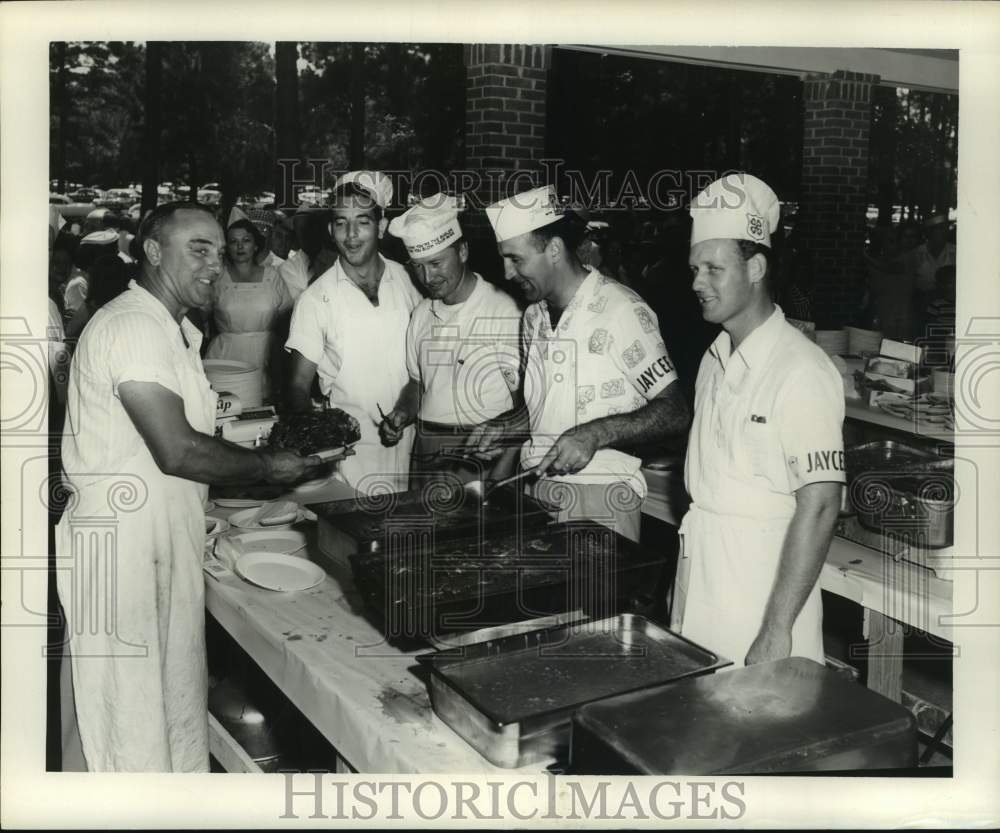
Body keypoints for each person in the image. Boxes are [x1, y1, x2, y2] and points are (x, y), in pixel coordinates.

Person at [55, 202, 319, 771]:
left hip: (159, 544)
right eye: (197, 249)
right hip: (119, 555)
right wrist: (269, 468)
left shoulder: (173, 329)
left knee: (155, 717)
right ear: (152, 252)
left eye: (219, 252)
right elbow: (178, 449)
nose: (213, 264)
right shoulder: (131, 324)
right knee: (112, 725)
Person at [671, 173, 844, 669]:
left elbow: (821, 504)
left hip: (762, 596)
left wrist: (776, 630)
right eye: (694, 268)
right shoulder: (713, 358)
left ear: (756, 267)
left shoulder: (802, 370)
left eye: (712, 268)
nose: (696, 282)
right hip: (703, 575)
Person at [469, 185, 691, 543]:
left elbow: (675, 410)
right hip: (536, 492)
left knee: (594, 601)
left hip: (601, 496)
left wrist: (594, 434)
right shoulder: (533, 317)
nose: (507, 273)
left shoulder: (622, 311)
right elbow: (546, 406)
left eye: (516, 259)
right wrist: (507, 425)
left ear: (554, 249)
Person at [285, 171, 421, 494]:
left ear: (382, 226)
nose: (351, 235)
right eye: (341, 223)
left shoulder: (410, 282)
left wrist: (403, 412)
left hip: (409, 453)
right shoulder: (315, 299)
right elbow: (296, 387)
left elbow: (422, 371)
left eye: (362, 221)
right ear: (331, 229)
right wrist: (321, 435)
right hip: (347, 464)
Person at [380, 193, 521, 487]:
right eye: (417, 266)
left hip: (479, 453)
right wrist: (402, 413)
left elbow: (525, 405)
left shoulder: (503, 311)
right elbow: (418, 382)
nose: (426, 277)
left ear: (463, 252)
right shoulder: (421, 314)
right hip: (426, 448)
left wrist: (501, 472)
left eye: (436, 263)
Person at [204, 208, 293, 402]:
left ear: (255, 245)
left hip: (266, 356)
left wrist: (279, 364)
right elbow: (201, 318)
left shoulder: (273, 277)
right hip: (225, 356)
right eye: (233, 241)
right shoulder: (217, 278)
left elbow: (286, 320)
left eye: (246, 240)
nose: (240, 246)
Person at [278, 206, 339, 302]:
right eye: (300, 229)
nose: (304, 234)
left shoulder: (336, 257)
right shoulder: (288, 268)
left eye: (310, 228)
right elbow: (302, 303)